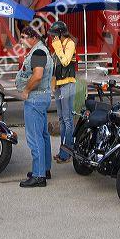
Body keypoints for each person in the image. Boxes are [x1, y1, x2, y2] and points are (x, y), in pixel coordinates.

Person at [16, 26, 53, 188]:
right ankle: (44, 169)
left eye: (23, 37)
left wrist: (26, 90)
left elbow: (37, 75)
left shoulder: (38, 52)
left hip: (35, 98)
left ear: (33, 37)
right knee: (43, 135)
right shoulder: (42, 50)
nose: (21, 40)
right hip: (42, 97)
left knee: (34, 137)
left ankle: (39, 176)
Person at [48, 21, 77, 163]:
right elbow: (55, 67)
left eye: (54, 34)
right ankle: (63, 151)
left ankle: (67, 153)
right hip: (59, 86)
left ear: (60, 33)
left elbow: (65, 62)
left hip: (68, 85)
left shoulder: (70, 43)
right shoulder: (57, 46)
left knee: (67, 119)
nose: (52, 37)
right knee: (61, 120)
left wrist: (58, 47)